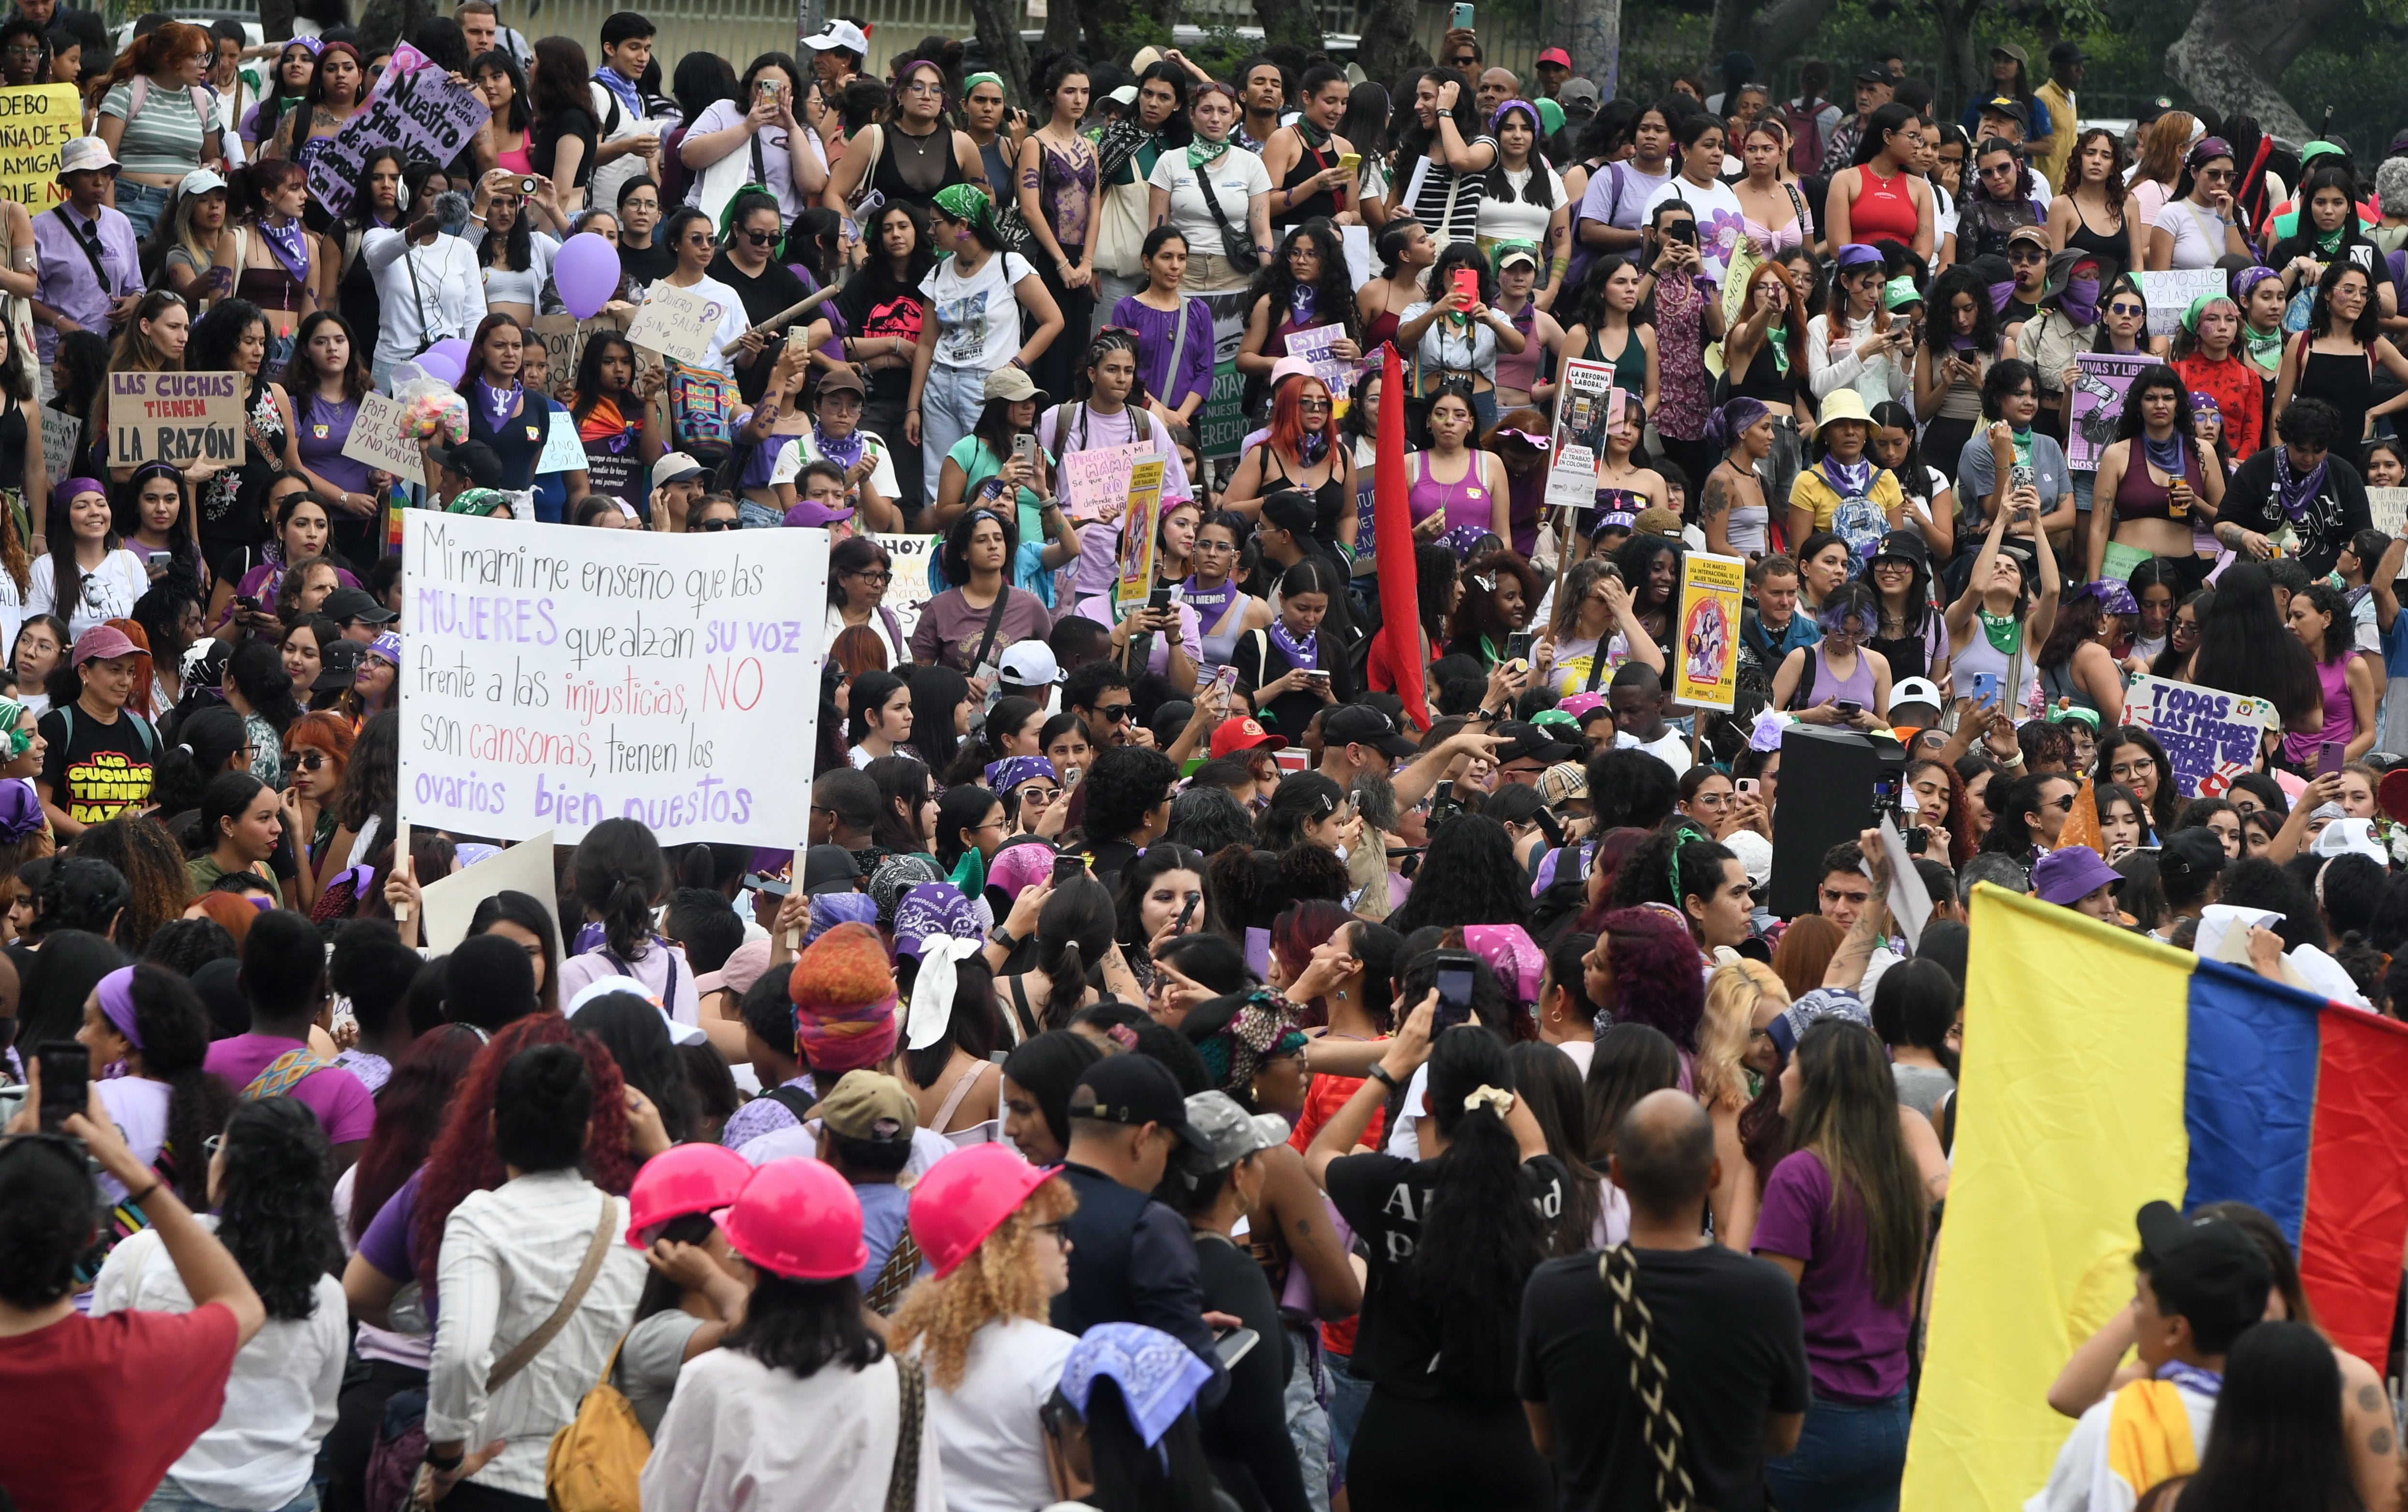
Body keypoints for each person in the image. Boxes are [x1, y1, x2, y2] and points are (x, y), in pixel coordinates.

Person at [1308, 1004, 1562, 1510]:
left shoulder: (1389, 1185)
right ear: (1506, 1098)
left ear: (1427, 1101)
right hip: (1510, 1441)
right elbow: (1536, 1145)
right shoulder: (1542, 1190)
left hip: (1402, 1434)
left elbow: (1321, 1151)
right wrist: (1491, 1068)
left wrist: (1392, 1065)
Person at [1519, 1088, 1808, 1509]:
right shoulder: (1766, 1293)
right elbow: (1783, 1439)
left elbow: (1547, 1441)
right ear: (1714, 1174)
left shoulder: (1552, 1293)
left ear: (1617, 1174)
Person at [0, 1061, 267, 1511]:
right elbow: (241, 1304)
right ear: (91, 1237)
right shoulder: (128, 1358)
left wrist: (12, 1150)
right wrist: (128, 1168)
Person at [92, 1094, 346, 1512]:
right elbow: (319, 1415)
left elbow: (101, 1376)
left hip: (158, 1484)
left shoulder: (144, 1254)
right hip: (282, 1494)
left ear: (227, 1169)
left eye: (217, 1149)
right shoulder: (326, 1293)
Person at [1750, 1018, 1926, 1510]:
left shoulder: (1801, 1174)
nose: (1782, 1072)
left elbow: (1774, 1312)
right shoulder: (1900, 1176)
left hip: (1813, 1418)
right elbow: (1906, 1306)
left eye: (1793, 1064)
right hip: (1891, 1412)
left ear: (1816, 1085)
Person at [2030, 1201, 2272, 1512]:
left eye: (2139, 1300)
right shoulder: (2287, 1425)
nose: (2134, 1312)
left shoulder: (2120, 1426)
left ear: (2175, 1330)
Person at [908, 184, 1062, 511]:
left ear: (963, 226)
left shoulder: (1010, 265)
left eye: (938, 224)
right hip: (941, 383)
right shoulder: (939, 272)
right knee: (939, 478)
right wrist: (913, 406)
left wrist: (1016, 366)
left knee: (991, 467)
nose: (931, 231)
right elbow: (926, 343)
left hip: (988, 384)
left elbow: (1053, 320)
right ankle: (945, 549)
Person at [94, 22, 221, 244]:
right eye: (196, 58)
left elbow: (213, 156)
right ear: (170, 58)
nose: (205, 66)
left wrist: (212, 168)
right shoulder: (126, 92)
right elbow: (104, 160)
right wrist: (109, 218)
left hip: (186, 205)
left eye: (207, 58)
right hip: (132, 203)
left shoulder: (204, 100)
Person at [2216, 397, 2372, 577]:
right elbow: (2222, 525)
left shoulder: (2344, 475)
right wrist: (2246, 538)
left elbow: (2363, 541)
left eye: (2318, 451)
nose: (2309, 459)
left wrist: (2336, 578)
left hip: (2326, 586)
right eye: (2301, 450)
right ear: (2287, 440)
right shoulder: (2258, 468)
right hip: (2263, 583)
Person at [358, 164, 482, 389]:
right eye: (429, 193)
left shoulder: (463, 250)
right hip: (395, 364)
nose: (437, 201)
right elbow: (377, 257)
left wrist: (472, 366)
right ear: (406, 197)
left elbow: (474, 315)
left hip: (449, 365)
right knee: (392, 426)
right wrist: (417, 230)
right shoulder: (378, 237)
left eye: (444, 195)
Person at [31, 137, 146, 371]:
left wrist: (133, 302)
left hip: (109, 355)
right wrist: (59, 322)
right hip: (58, 357)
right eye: (89, 174)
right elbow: (27, 297)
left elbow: (136, 286)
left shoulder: (120, 223)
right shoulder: (40, 227)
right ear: (69, 179)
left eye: (106, 174)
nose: (99, 182)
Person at [36, 621, 155, 836]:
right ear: (84, 673)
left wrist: (138, 817)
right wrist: (93, 839)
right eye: (115, 670)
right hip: (73, 861)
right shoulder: (56, 727)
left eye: (130, 672)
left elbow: (165, 802)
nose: (125, 681)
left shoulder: (143, 730)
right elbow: (40, 804)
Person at [1823, 103, 1934, 264]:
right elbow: (1839, 249)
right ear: (1888, 136)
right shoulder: (1845, 180)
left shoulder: (1920, 188)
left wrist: (1897, 274)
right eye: (1912, 136)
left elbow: (1924, 252)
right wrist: (1875, 276)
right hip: (1857, 279)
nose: (1918, 145)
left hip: (1902, 283)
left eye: (1919, 138)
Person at [2148, 138, 2251, 271]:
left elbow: (2245, 270)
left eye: (2229, 176)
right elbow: (2160, 277)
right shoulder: (2172, 213)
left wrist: (2229, 221)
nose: (2221, 182)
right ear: (2194, 172)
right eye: (2213, 174)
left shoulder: (2238, 213)